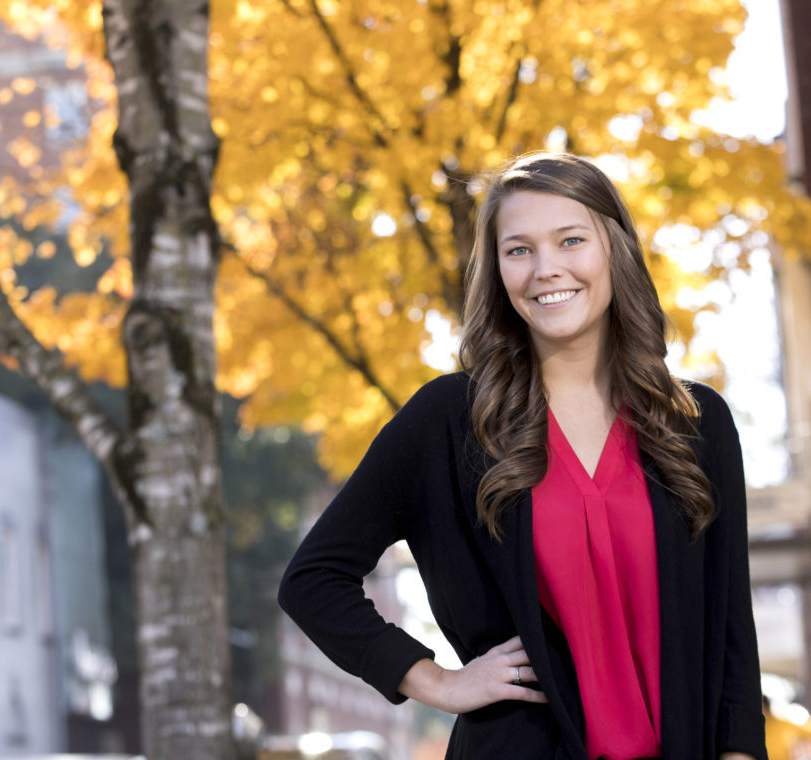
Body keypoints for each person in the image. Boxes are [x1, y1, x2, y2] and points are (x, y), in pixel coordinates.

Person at [278, 152, 767, 760]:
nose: (546, 269)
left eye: (570, 240)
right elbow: (312, 581)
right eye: (519, 250)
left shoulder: (695, 423)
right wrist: (438, 681)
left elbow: (731, 643)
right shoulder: (450, 420)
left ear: (614, 249)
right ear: (498, 271)